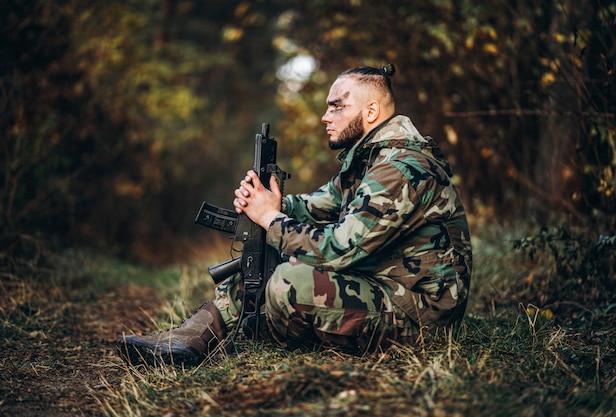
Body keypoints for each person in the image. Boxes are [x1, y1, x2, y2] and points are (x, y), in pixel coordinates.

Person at [116, 64, 472, 367]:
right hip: (388, 285)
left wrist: (270, 219)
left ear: (371, 112)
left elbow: (340, 249)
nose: (325, 116)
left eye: (337, 107)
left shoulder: (400, 169)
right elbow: (318, 203)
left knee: (291, 280)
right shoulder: (369, 162)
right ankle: (189, 339)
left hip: (422, 313)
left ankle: (257, 328)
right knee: (265, 267)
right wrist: (272, 202)